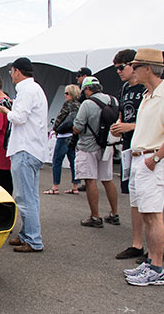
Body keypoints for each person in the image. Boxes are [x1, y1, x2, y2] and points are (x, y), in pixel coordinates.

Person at [121, 48, 164, 286]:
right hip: (140, 159)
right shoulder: (148, 95)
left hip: (151, 161)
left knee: (153, 215)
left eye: (135, 66)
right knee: (145, 214)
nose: (132, 70)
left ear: (147, 68)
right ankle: (151, 262)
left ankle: (157, 267)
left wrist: (155, 158)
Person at [0, 58, 50, 253]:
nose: (11, 76)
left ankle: (34, 239)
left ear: (18, 72)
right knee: (30, 197)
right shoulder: (34, 89)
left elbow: (19, 118)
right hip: (33, 149)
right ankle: (27, 235)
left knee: (24, 197)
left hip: (25, 149)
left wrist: (5, 110)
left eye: (12, 72)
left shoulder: (27, 90)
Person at [72, 77, 120, 228]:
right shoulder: (113, 101)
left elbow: (77, 127)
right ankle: (114, 213)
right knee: (107, 179)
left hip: (88, 146)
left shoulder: (87, 104)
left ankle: (95, 216)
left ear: (87, 89)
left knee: (90, 180)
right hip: (108, 145)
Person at [110, 49, 145, 200]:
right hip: (128, 144)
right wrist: (117, 127)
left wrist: (130, 126)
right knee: (131, 193)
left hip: (144, 145)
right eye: (116, 68)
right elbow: (121, 115)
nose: (118, 72)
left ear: (133, 66)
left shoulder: (145, 88)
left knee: (144, 194)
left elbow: (155, 121)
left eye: (121, 67)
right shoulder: (124, 89)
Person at [45, 84, 82, 195]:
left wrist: (55, 129)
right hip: (73, 135)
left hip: (63, 135)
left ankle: (55, 186)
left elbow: (60, 118)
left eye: (67, 93)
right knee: (73, 161)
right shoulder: (80, 105)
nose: (65, 95)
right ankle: (75, 186)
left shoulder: (67, 105)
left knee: (57, 161)